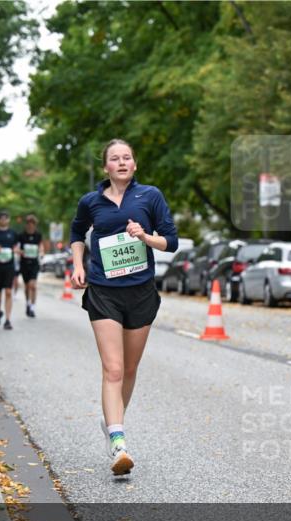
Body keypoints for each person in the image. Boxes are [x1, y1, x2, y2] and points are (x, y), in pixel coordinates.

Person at [70, 139, 178, 476]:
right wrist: (78, 264)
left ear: (134, 165)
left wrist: (145, 237)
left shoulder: (150, 196)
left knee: (129, 370)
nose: (121, 162)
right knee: (113, 369)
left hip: (140, 292)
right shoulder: (91, 201)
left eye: (127, 157)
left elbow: (170, 242)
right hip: (103, 291)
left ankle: (112, 423)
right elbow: (77, 232)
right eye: (114, 158)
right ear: (105, 167)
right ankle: (119, 442)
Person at [18, 214, 43, 318]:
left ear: (35, 225)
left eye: (32, 224)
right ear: (26, 225)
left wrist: (41, 252)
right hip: (24, 263)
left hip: (34, 263)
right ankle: (27, 303)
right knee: (27, 286)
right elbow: (16, 248)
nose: (30, 226)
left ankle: (32, 307)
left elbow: (41, 246)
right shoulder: (21, 236)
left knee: (33, 285)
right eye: (28, 223)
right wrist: (21, 252)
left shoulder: (38, 235)